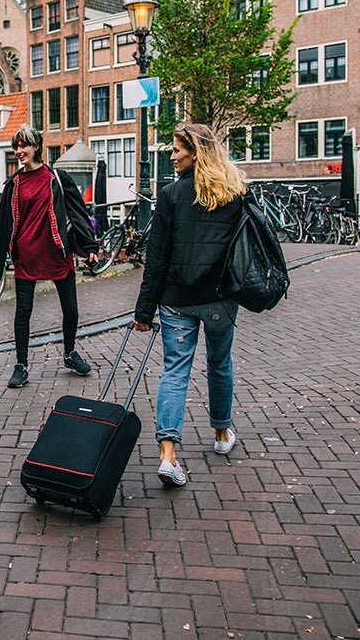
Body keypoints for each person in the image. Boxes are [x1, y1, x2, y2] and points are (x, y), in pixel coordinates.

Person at [133, 123, 247, 488]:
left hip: (177, 300)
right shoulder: (235, 193)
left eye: (177, 149)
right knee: (219, 363)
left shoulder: (170, 195)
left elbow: (158, 257)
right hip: (219, 298)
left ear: (195, 153)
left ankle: (168, 454)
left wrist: (144, 310)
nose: (171, 154)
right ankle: (221, 433)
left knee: (175, 371)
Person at [0, 124, 99, 389]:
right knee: (23, 312)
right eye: (16, 146)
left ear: (36, 146)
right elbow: (2, 225)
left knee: (70, 308)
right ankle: (21, 365)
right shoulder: (13, 184)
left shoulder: (57, 178)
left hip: (58, 253)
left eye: (23, 145)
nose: (19, 151)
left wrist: (90, 247)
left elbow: (77, 213)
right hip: (26, 256)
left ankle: (70, 353)